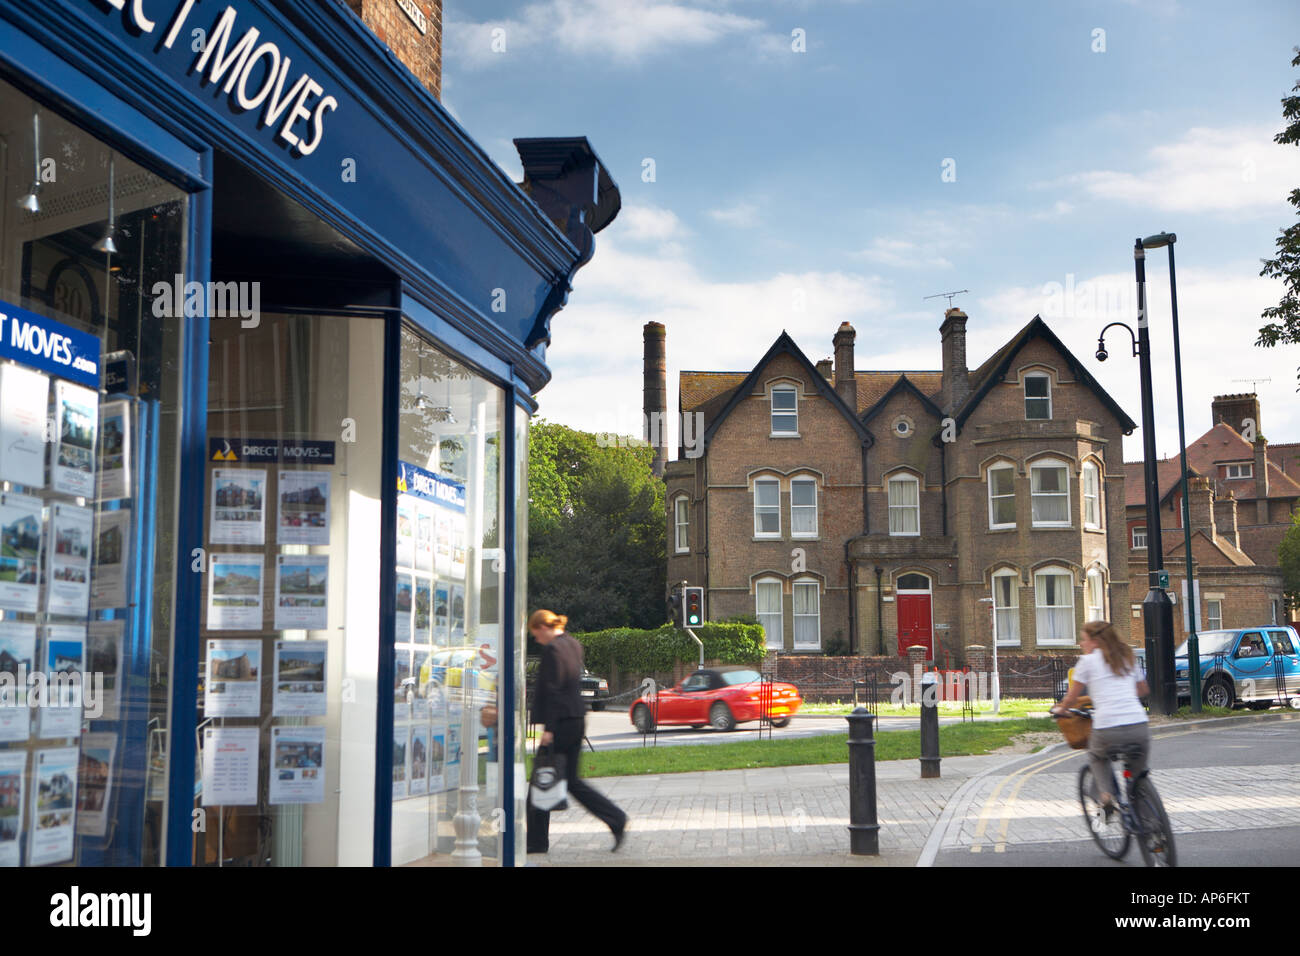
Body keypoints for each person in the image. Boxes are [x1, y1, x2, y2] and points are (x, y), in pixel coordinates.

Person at [526, 609, 628, 854]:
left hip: (559, 723)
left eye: (535, 635)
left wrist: (548, 729)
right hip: (576, 719)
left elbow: (553, 690)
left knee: (541, 780)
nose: (537, 640)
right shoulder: (573, 644)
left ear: (542, 627)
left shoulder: (552, 650)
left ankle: (537, 842)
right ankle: (616, 818)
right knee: (571, 781)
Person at [1052, 620, 1151, 810]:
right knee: (1137, 780)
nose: (1081, 644)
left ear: (1096, 641)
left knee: (1097, 756)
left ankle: (1106, 797)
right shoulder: (1126, 656)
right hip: (1139, 726)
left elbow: (1071, 698)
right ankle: (1151, 828)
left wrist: (1061, 710)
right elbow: (1143, 689)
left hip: (1108, 727)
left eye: (1084, 640)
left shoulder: (1088, 662)